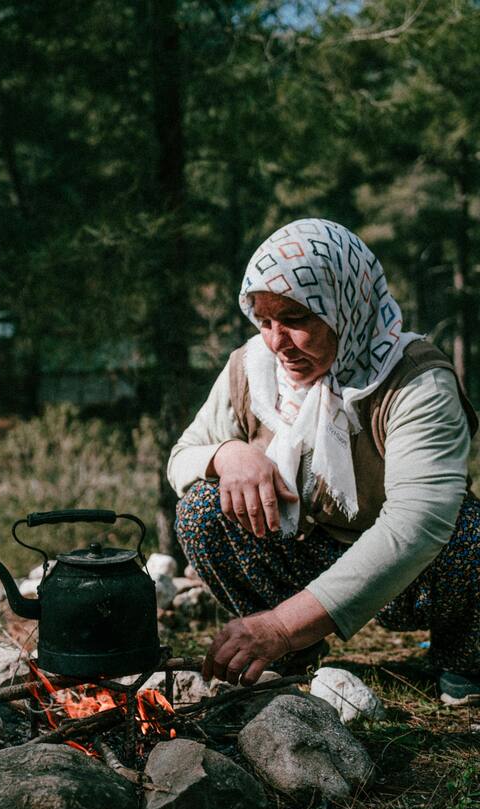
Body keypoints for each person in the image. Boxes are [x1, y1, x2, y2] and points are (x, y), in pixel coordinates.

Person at [168, 218, 480, 704]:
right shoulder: (253, 371)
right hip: (308, 554)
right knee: (201, 510)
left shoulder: (417, 383)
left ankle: (465, 658)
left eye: (295, 320)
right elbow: (182, 458)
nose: (277, 342)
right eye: (265, 321)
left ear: (345, 308)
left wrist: (281, 624)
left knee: (466, 531)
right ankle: (287, 658)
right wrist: (228, 454)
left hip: (411, 577)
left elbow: (415, 526)